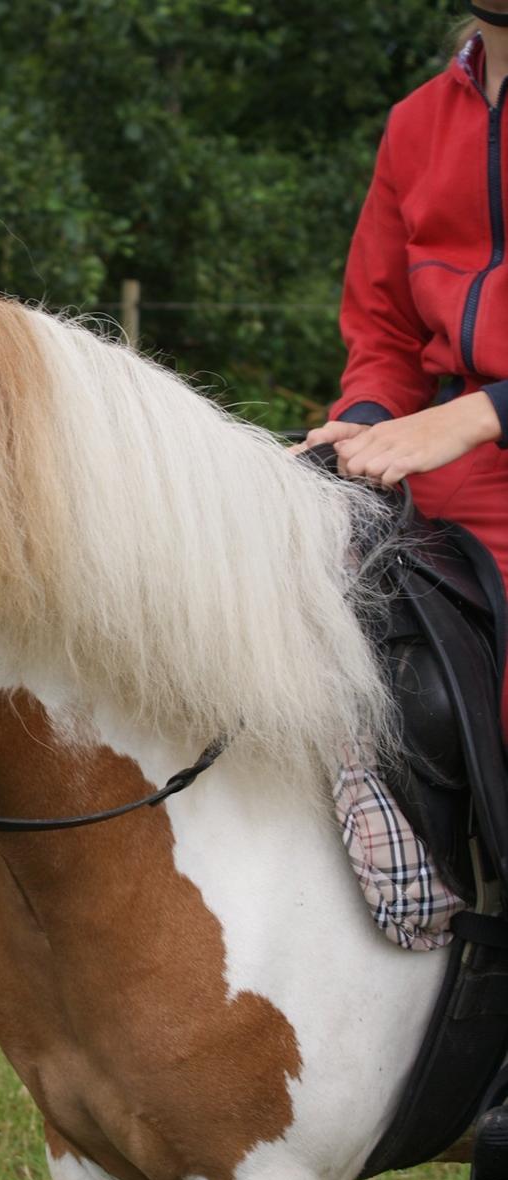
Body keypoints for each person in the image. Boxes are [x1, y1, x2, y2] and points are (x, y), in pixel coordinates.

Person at [299, 5, 508, 718]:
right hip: (440, 469)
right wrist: (364, 420)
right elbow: (384, 330)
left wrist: (482, 414)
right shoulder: (416, 121)